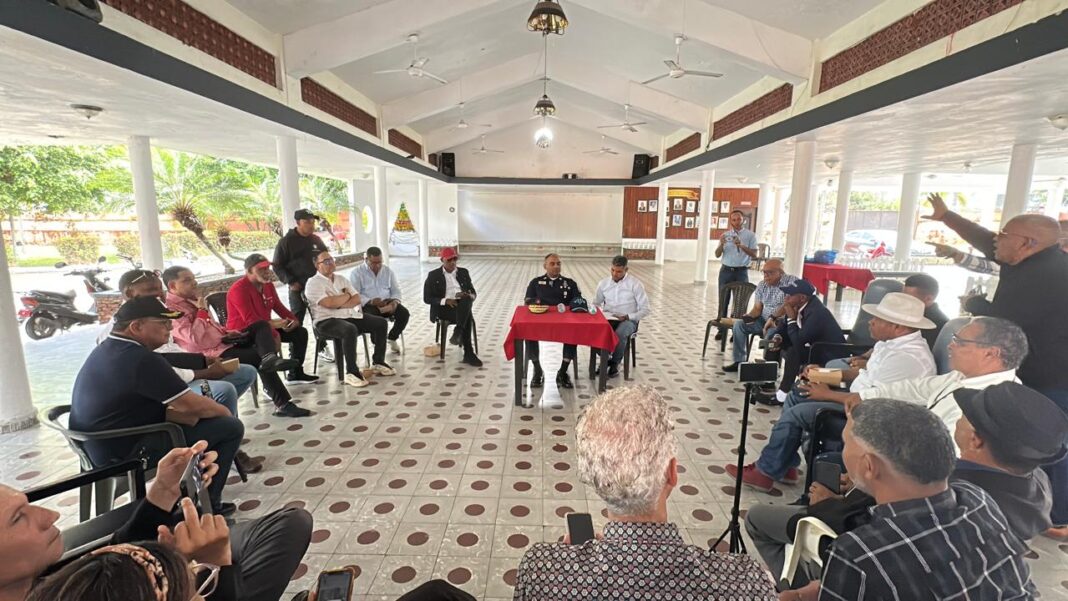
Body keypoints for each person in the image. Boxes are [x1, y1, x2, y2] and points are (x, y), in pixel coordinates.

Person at [746, 382, 1065, 588]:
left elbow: (862, 525)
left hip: (849, 537)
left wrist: (828, 504)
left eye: (966, 413)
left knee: (758, 519)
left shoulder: (863, 553)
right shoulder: (1011, 490)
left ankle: (792, 581)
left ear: (976, 438)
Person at [512, 386, 777, 600]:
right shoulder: (745, 583)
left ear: (596, 480)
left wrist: (566, 561)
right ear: (672, 473)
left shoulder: (542, 571)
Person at [926, 193, 1068, 533]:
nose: (996, 240)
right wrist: (948, 217)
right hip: (1038, 369)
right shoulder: (1031, 260)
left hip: (1051, 377)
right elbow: (988, 243)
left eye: (1004, 235)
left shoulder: (1044, 277)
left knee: (1051, 443)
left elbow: (1004, 327)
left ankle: (1057, 515)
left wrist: (975, 302)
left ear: (1026, 243)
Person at [7, 442, 312, 601]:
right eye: (17, 519)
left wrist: (162, 493)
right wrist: (211, 569)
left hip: (167, 564)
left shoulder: (43, 578)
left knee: (290, 524)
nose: (50, 515)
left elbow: (116, 551)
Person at [727, 292, 936, 493]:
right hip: (855, 399)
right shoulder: (890, 344)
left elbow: (873, 402)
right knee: (798, 391)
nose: (870, 322)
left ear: (898, 326)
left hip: (870, 417)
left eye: (877, 319)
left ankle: (765, 472)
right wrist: (825, 374)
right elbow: (866, 375)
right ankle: (785, 464)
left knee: (795, 413)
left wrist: (826, 394)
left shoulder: (908, 358)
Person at [70, 296, 243, 514]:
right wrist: (226, 414)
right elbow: (192, 405)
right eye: (162, 323)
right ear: (136, 326)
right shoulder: (140, 359)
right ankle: (205, 507)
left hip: (96, 447)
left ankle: (189, 495)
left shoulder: (107, 348)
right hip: (124, 453)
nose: (169, 327)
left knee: (199, 422)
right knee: (229, 428)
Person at [803, 317, 1026, 439]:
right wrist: (861, 396)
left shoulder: (992, 403)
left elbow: (944, 461)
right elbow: (914, 389)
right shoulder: (959, 377)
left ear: (991, 353)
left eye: (960, 341)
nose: (951, 345)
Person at [98, 270, 259, 421]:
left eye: (161, 290)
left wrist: (203, 360)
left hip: (183, 374)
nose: (160, 295)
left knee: (244, 372)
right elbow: (160, 370)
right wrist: (204, 373)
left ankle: (213, 421)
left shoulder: (157, 314)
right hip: (164, 391)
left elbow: (170, 353)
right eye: (152, 290)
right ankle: (220, 427)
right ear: (129, 294)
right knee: (221, 391)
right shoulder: (122, 333)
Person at [162, 266, 310, 418]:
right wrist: (202, 311)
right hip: (211, 353)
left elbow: (211, 327)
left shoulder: (191, 300)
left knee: (261, 326)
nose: (194, 283)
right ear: (172, 286)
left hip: (224, 340)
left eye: (194, 278)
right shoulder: (171, 310)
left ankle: (270, 358)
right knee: (257, 356)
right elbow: (195, 340)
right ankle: (283, 403)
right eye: (187, 280)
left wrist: (226, 332)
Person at [304, 250, 395, 387]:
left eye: (332, 259)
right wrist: (346, 297)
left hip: (348, 315)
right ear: (317, 265)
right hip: (326, 321)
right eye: (326, 261)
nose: (331, 263)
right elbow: (328, 304)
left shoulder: (341, 279)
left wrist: (338, 303)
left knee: (380, 323)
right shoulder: (313, 283)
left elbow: (357, 298)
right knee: (349, 329)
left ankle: (378, 361)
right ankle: (351, 372)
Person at [226, 254, 318, 384]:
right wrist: (274, 333)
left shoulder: (268, 286)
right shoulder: (238, 289)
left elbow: (278, 306)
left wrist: (294, 320)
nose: (266, 272)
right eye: (261, 269)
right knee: (266, 343)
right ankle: (268, 387)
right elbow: (251, 321)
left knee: (300, 333)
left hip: (265, 327)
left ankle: (295, 374)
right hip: (243, 333)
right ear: (249, 271)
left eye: (267, 268)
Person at [760, 279, 845, 405]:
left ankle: (782, 396)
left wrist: (793, 320)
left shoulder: (817, 313)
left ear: (802, 298)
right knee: (774, 342)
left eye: (789, 295)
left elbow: (799, 341)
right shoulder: (796, 305)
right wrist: (778, 337)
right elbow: (783, 327)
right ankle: (769, 383)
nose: (786, 298)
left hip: (827, 354)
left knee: (794, 352)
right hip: (812, 347)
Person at [723, 258, 797, 371]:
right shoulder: (762, 285)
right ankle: (739, 362)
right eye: (764, 272)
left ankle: (767, 369)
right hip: (763, 319)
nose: (766, 275)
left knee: (772, 334)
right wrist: (747, 318)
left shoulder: (791, 282)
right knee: (739, 325)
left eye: (770, 272)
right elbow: (757, 308)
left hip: (780, 323)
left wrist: (773, 318)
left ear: (781, 272)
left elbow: (788, 305)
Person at [523, 253, 582, 389]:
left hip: (564, 322)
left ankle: (562, 371)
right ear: (545, 266)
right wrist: (541, 302)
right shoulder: (536, 282)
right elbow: (527, 301)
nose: (556, 266)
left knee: (573, 331)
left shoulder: (569, 283)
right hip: (541, 321)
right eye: (552, 263)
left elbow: (578, 301)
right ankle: (537, 369)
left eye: (558, 263)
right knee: (529, 331)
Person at [423, 247, 482, 367]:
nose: (452, 262)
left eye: (455, 259)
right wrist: (445, 300)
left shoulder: (463, 272)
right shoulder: (433, 275)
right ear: (442, 260)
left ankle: (458, 331)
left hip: (462, 304)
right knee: (467, 316)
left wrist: (468, 295)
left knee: (466, 302)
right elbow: (427, 298)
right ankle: (468, 353)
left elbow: (473, 293)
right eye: (449, 260)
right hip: (444, 309)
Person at [592, 255, 649, 377]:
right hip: (608, 317)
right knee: (593, 331)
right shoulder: (603, 283)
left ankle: (614, 363)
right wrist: (597, 312)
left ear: (626, 270)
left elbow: (645, 309)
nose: (615, 273)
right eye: (612, 270)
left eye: (619, 271)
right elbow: (596, 303)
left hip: (628, 320)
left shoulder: (635, 284)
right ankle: (605, 359)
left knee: (620, 333)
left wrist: (628, 316)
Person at [272, 208, 329, 326]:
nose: (311, 225)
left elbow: (326, 258)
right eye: (307, 222)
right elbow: (277, 266)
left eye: (313, 222)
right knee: (296, 319)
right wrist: (291, 282)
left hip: (318, 286)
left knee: (322, 317)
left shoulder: (316, 240)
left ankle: (321, 344)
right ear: (298, 223)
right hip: (298, 287)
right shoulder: (286, 242)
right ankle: (297, 344)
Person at [349, 246, 408, 352]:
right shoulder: (357, 273)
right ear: (366, 260)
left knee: (404, 314)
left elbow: (396, 290)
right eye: (374, 263)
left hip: (386, 302)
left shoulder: (387, 271)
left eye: (380, 262)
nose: (377, 266)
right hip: (369, 305)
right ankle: (378, 344)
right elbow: (354, 294)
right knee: (375, 318)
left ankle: (392, 337)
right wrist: (371, 301)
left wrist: (395, 301)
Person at [713, 209, 759, 340]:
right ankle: (721, 329)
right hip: (726, 271)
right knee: (723, 300)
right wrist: (721, 244)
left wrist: (742, 245)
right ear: (730, 221)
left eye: (738, 219)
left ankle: (736, 330)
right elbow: (717, 254)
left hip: (741, 271)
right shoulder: (725, 235)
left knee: (740, 302)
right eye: (733, 220)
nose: (736, 222)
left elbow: (755, 254)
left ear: (743, 219)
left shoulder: (750, 235)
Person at [902, 272, 948, 347]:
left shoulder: (937, 326)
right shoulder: (908, 313)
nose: (903, 301)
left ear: (929, 299)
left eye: (909, 298)